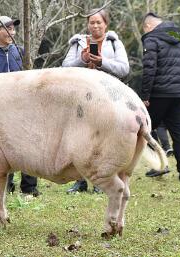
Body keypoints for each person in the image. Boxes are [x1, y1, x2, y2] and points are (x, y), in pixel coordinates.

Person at [62, 8, 130, 193]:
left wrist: (102, 62)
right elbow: (65, 67)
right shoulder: (78, 42)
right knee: (80, 140)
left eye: (99, 22)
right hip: (82, 98)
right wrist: (81, 59)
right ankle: (80, 181)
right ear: (88, 24)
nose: (95, 25)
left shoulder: (114, 42)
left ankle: (101, 181)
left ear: (106, 24)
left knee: (104, 140)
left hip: (107, 97)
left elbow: (124, 69)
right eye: (92, 22)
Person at [0, 15, 39, 196]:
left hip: (23, 107)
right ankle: (7, 185)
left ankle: (29, 188)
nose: (13, 32)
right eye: (8, 28)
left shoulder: (20, 51)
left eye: (13, 28)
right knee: (4, 148)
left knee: (28, 145)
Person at [140, 12, 180, 181]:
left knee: (145, 129)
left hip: (158, 94)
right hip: (179, 94)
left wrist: (145, 95)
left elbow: (149, 69)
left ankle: (160, 165)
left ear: (148, 26)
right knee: (179, 133)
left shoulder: (151, 39)